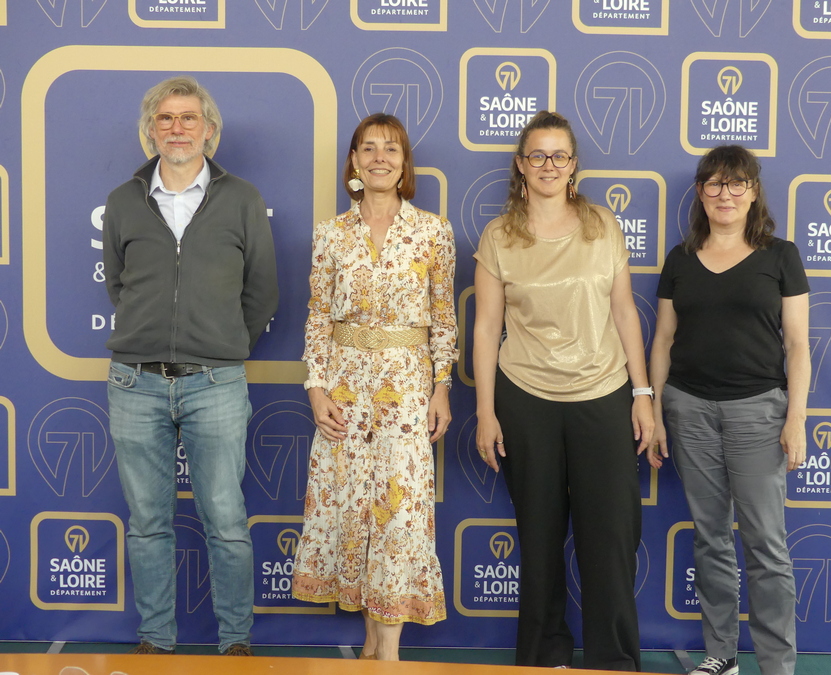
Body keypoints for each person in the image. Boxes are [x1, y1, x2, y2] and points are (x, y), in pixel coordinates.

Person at [103, 75, 278, 656]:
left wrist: (222, 344)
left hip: (216, 383)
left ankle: (236, 644)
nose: (177, 128)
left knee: (225, 519)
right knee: (147, 522)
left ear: (209, 130)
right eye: (166, 118)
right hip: (135, 382)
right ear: (150, 130)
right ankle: (156, 641)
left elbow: (262, 291)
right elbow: (119, 286)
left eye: (188, 118)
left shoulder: (243, 199)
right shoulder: (123, 201)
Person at [472, 111, 653, 671]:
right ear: (521, 165)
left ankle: (614, 662)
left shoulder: (603, 225)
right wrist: (485, 412)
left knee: (611, 538)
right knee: (540, 539)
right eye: (537, 155)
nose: (548, 165)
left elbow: (625, 311)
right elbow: (486, 328)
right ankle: (543, 658)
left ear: (573, 165)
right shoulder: (499, 236)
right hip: (526, 398)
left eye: (559, 155)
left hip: (604, 393)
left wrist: (643, 394)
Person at [292, 113, 457, 661]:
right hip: (343, 390)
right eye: (368, 148)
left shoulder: (433, 231)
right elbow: (318, 316)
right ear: (354, 161)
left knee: (399, 513)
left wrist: (441, 387)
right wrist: (316, 390)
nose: (379, 157)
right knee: (352, 510)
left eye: (391, 148)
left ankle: (389, 654)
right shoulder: (330, 233)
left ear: (404, 162)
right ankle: (370, 646)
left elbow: (443, 318)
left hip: (406, 390)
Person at [648, 145, 810, 675]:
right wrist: (655, 411)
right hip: (689, 409)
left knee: (766, 545)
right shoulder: (680, 258)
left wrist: (795, 418)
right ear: (700, 192)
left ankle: (777, 665)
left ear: (753, 191)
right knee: (711, 539)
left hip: (759, 412)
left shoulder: (780, 256)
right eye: (715, 184)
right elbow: (663, 340)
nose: (726, 194)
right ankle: (722, 655)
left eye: (737, 183)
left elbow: (798, 346)